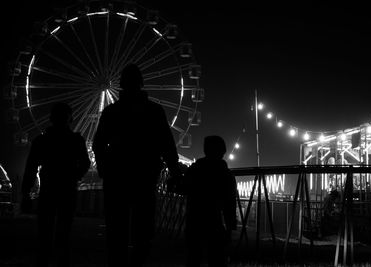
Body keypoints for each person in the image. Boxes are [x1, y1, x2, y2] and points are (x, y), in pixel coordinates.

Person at [92, 63, 182, 267]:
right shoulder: (155, 111)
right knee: (143, 227)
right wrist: (174, 169)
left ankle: (118, 262)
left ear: (121, 85)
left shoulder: (111, 112)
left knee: (116, 227)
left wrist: (104, 167)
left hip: (117, 176)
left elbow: (98, 144)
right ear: (141, 84)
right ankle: (138, 261)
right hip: (145, 174)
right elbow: (167, 143)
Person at [21, 102, 90, 267]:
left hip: (48, 188)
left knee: (45, 230)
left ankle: (45, 258)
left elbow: (30, 167)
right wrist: (76, 175)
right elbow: (86, 163)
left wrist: (25, 193)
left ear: (51, 118)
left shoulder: (42, 141)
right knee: (64, 230)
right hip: (68, 188)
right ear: (71, 118)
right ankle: (61, 259)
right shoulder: (76, 140)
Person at [183, 135, 237, 267]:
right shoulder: (225, 174)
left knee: (193, 256)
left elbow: (184, 188)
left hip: (194, 218)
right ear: (223, 151)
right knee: (217, 256)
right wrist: (230, 225)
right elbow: (230, 202)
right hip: (214, 219)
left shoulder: (194, 170)